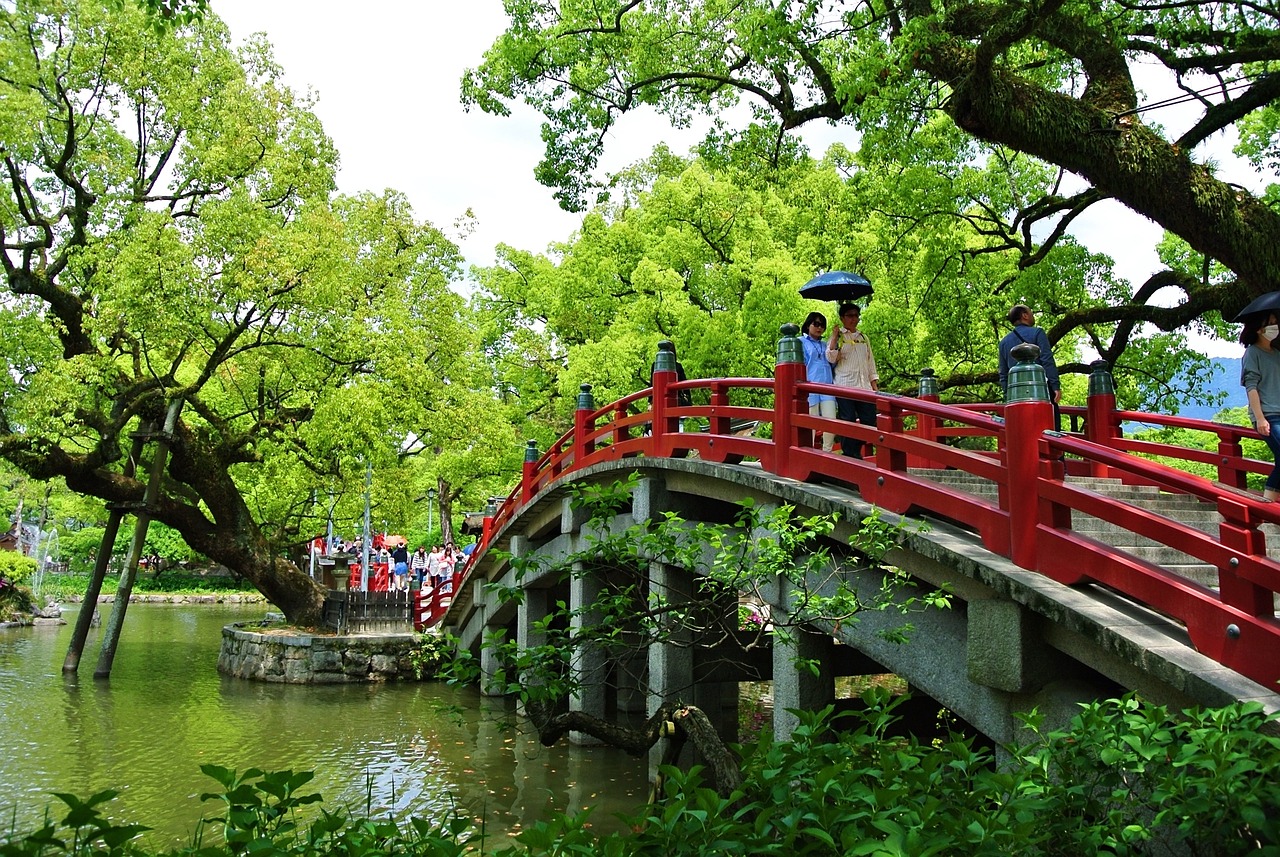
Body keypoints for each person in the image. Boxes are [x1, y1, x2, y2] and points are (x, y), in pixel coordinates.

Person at [827, 303, 879, 458]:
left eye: (856, 315)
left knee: (870, 421)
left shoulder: (864, 338)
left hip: (864, 386)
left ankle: (852, 450)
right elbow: (830, 357)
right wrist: (835, 337)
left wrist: (874, 386)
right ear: (842, 318)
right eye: (850, 315)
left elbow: (870, 363)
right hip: (845, 386)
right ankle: (851, 454)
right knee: (848, 419)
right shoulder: (839, 336)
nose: (854, 319)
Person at [998, 304, 1061, 429]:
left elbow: (1003, 373)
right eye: (1031, 312)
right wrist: (1055, 385)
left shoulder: (1004, 343)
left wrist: (1008, 395)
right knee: (1050, 428)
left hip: (1016, 394)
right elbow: (1047, 360)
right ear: (1024, 315)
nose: (1032, 315)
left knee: (1021, 429)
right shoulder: (1037, 333)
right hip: (1040, 391)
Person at [1241, 312, 1280, 501]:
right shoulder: (1252, 353)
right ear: (1259, 329)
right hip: (1269, 415)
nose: (1275, 326)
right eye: (1270, 323)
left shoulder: (1278, 354)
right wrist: (1260, 418)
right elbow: (1251, 387)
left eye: (1275, 322)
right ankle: (1266, 506)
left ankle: (1269, 507)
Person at [800, 311, 837, 452]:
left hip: (828, 387)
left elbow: (833, 363)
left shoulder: (825, 344)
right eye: (815, 324)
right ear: (808, 325)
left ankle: (827, 453)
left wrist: (834, 340)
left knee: (831, 422)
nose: (819, 327)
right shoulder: (800, 341)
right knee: (811, 424)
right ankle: (809, 454)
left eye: (822, 325)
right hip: (810, 387)